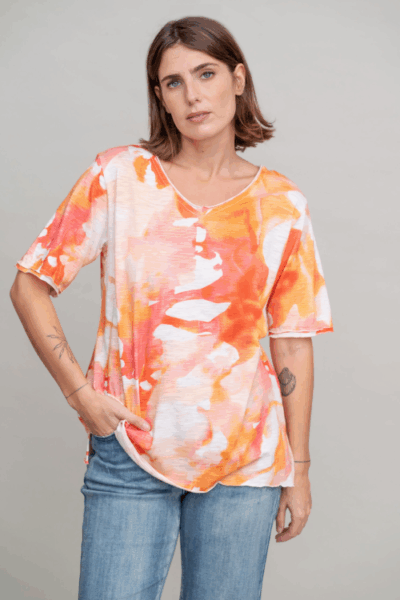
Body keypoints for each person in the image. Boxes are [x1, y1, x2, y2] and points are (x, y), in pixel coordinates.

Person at [10, 15, 334, 600]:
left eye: (206, 74)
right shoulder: (120, 176)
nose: (192, 95)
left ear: (238, 80)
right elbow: (29, 284)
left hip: (245, 462)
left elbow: (291, 341)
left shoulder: (282, 204)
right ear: (160, 97)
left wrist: (300, 469)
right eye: (173, 82)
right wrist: (81, 395)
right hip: (131, 450)